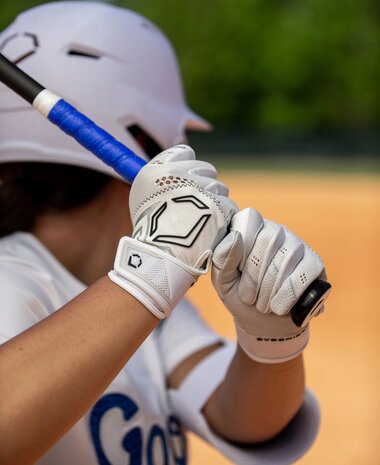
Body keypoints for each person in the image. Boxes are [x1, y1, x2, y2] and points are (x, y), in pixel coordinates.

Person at [0, 3, 326, 465]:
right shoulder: (13, 278)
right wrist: (151, 272)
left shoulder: (127, 285)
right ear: (150, 144)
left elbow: (244, 420)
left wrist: (271, 343)